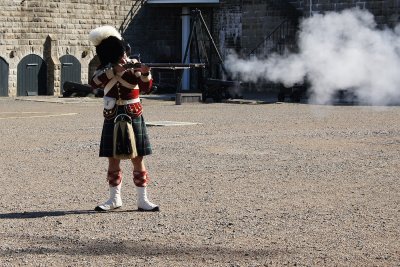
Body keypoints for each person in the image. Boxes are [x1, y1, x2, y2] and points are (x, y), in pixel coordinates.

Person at [88, 25, 159, 212]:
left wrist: (144, 72)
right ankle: (114, 199)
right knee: (113, 159)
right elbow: (93, 82)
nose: (122, 57)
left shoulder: (133, 64)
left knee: (138, 157)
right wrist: (113, 71)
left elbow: (147, 88)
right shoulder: (104, 69)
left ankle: (143, 199)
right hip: (112, 115)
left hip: (132, 113)